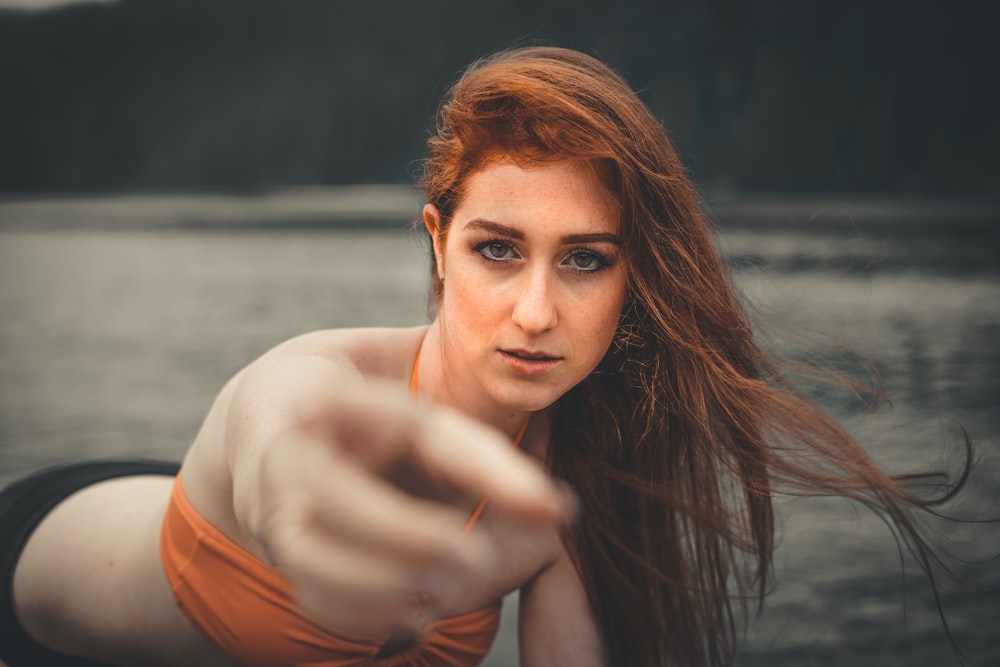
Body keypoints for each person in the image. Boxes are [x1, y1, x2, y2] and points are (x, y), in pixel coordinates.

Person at [0, 46, 974, 667]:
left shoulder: (564, 477)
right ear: (436, 240)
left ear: (633, 283)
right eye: (497, 248)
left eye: (585, 261)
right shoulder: (314, 382)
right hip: (36, 572)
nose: (536, 310)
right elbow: (279, 441)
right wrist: (296, 505)